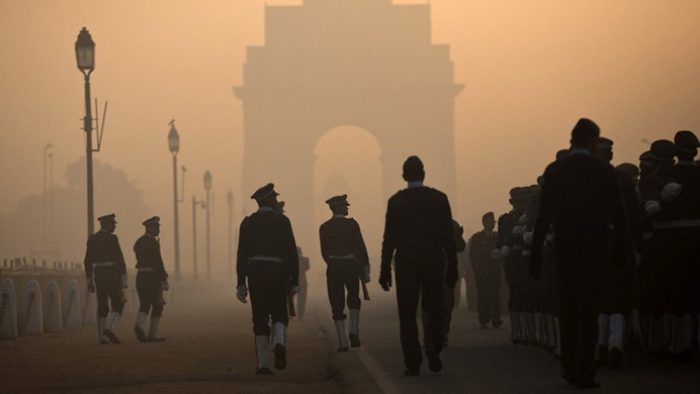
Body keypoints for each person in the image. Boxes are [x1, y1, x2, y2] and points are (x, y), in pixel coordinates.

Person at [530, 118, 626, 388]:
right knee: (590, 310)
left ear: (571, 140)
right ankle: (585, 369)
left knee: (568, 308)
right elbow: (619, 215)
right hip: (595, 247)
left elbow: (543, 216)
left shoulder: (556, 170)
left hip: (565, 248)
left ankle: (569, 367)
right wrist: (622, 248)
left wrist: (536, 253)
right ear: (594, 142)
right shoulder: (604, 171)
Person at [379, 156, 458, 376]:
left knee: (407, 313)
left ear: (404, 177)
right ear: (424, 174)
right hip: (433, 261)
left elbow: (390, 239)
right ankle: (433, 344)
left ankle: (413, 362)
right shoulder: (439, 199)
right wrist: (453, 266)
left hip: (406, 263)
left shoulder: (396, 202)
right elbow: (448, 238)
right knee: (435, 307)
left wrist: (384, 269)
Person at [236, 183, 300, 375]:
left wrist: (241, 283)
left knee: (260, 316)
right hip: (277, 270)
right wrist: (295, 280)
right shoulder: (282, 221)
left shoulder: (247, 223)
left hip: (255, 271)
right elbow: (291, 252)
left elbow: (241, 256)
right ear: (270, 200)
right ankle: (279, 343)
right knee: (280, 312)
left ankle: (263, 365)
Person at [319, 194, 370, 351]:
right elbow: (361, 248)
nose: (347, 207)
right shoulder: (352, 225)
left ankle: (342, 341)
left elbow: (324, 251)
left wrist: (333, 262)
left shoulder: (324, 227)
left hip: (334, 265)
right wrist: (365, 269)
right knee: (354, 298)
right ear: (339, 207)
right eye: (345, 205)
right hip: (351, 264)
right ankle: (353, 330)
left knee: (336, 302)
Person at [83, 213, 128, 344]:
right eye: (112, 224)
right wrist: (124, 279)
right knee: (118, 303)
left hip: (99, 275)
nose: (114, 226)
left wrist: (89, 281)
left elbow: (87, 261)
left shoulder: (92, 239)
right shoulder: (112, 238)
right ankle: (109, 328)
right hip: (112, 274)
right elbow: (120, 259)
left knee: (102, 304)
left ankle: (102, 338)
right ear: (106, 224)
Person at [132, 216, 170, 342]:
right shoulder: (153, 242)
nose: (158, 229)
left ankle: (139, 325)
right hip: (152, 277)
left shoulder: (138, 242)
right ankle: (153, 334)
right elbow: (158, 262)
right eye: (156, 227)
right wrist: (163, 278)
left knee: (144, 304)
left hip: (140, 276)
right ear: (149, 228)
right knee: (158, 305)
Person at [468, 212, 501, 329]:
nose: (492, 224)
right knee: (483, 295)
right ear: (484, 223)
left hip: (495, 270)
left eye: (493, 222)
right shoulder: (477, 238)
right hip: (482, 271)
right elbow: (473, 255)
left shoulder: (498, 236)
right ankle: (484, 319)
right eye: (489, 222)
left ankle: (496, 318)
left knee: (495, 294)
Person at [296, 247, 310, 320]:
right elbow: (307, 268)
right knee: (302, 298)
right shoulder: (305, 259)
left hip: (292, 280)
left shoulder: (292, 260)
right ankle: (300, 314)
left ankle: (290, 313)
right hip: (302, 279)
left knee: (290, 299)